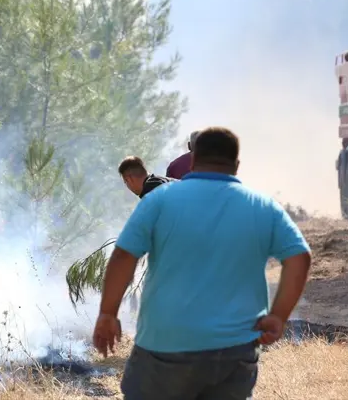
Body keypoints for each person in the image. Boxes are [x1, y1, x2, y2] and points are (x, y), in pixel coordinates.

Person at [93, 127, 313, 400]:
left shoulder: (159, 200)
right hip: (234, 350)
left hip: (164, 345)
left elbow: (124, 256)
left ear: (193, 161)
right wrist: (278, 316)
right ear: (236, 164)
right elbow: (299, 258)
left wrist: (107, 313)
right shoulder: (262, 206)